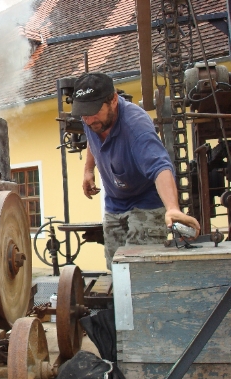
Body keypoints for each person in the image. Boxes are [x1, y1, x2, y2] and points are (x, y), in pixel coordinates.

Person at [71, 72, 201, 270]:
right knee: (115, 268)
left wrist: (173, 208)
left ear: (113, 100)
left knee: (138, 269)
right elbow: (92, 137)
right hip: (115, 203)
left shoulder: (135, 125)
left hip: (146, 202)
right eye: (84, 115)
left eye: (93, 112)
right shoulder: (90, 116)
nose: (88, 120)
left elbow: (160, 166)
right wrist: (88, 169)